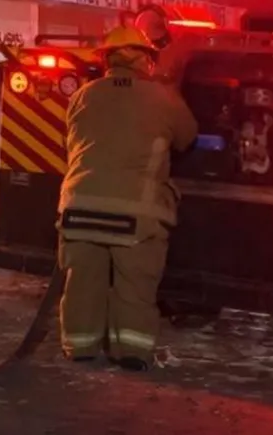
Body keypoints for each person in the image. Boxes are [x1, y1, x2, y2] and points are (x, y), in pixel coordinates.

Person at [57, 25, 198, 371]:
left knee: (81, 286)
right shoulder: (162, 97)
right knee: (134, 286)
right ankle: (132, 355)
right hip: (136, 216)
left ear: (107, 59)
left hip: (79, 208)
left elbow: (73, 141)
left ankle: (80, 349)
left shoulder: (83, 95)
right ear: (142, 59)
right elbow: (187, 138)